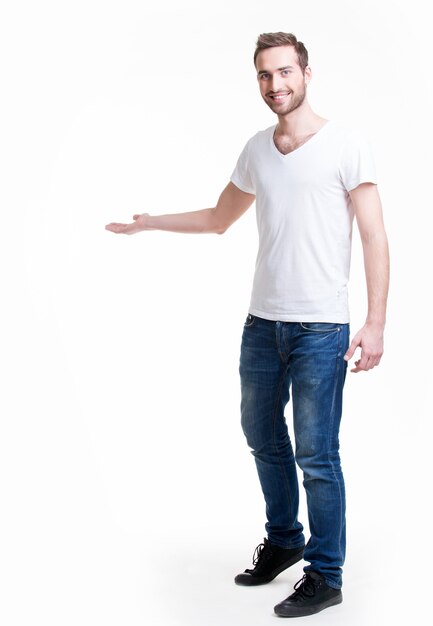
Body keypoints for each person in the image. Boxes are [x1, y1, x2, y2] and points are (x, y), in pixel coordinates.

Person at [105, 32, 389, 618]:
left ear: (307, 73)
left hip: (321, 331)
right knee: (261, 435)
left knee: (317, 454)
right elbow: (217, 219)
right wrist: (150, 222)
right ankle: (284, 539)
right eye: (264, 75)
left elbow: (374, 235)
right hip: (262, 326)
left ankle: (326, 571)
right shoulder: (258, 150)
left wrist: (376, 322)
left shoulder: (346, 145)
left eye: (285, 72)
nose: (275, 85)